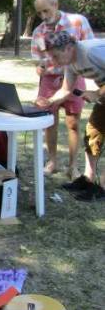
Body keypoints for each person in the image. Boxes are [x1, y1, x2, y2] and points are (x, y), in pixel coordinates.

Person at [31, 0, 94, 179]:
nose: (43, 16)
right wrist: (40, 68)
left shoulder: (78, 22)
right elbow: (38, 59)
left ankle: (73, 167)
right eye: (39, 13)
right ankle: (52, 161)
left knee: (73, 122)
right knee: (49, 122)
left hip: (74, 77)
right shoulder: (39, 32)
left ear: (56, 4)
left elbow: (90, 47)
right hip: (50, 80)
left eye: (46, 10)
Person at [40, 31, 105, 202]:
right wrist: (49, 101)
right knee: (93, 133)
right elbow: (66, 90)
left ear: (69, 48)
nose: (53, 61)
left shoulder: (91, 52)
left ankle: (102, 189)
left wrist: (97, 93)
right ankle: (88, 180)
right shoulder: (70, 62)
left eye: (55, 56)